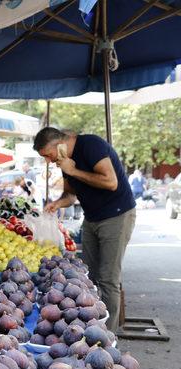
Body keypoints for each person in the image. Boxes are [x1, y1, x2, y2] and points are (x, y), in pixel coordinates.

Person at [34, 127, 136, 332]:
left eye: (47, 155)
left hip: (116, 216)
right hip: (91, 219)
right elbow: (70, 196)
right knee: (87, 275)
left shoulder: (91, 145)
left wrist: (73, 170)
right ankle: (90, 327)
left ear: (59, 143)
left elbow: (111, 182)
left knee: (108, 278)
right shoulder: (64, 162)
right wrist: (57, 203)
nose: (48, 161)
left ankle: (108, 334)